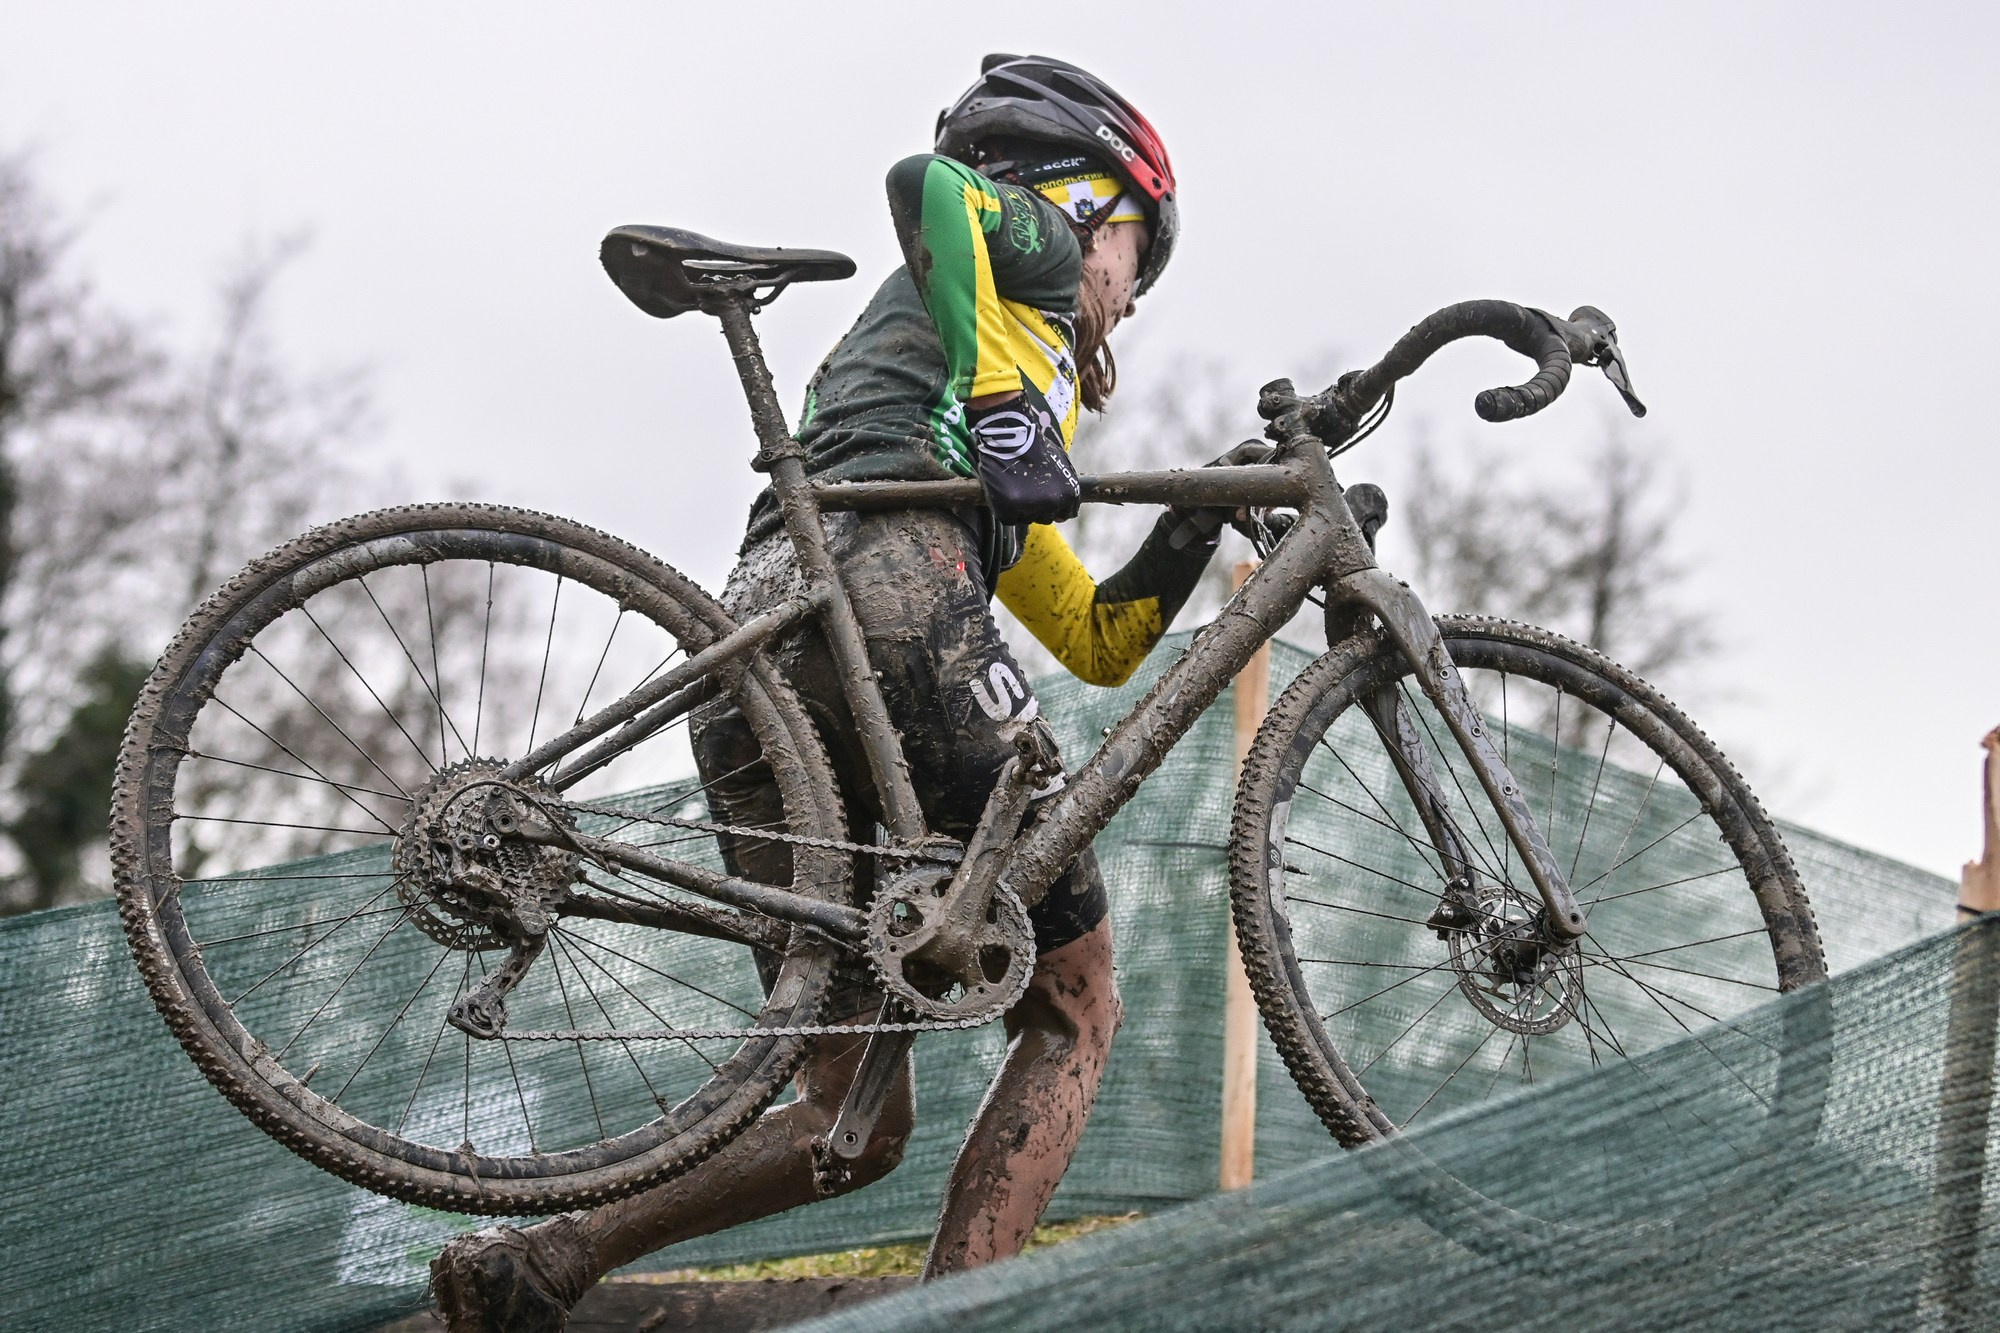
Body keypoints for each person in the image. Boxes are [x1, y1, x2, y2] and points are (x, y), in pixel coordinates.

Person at [432, 53, 1232, 1332]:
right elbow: (927, 183)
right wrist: (997, 403)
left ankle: (547, 1262)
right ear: (1083, 199)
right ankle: (962, 1318)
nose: (1136, 294)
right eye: (1141, 249)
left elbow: (1091, 638)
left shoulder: (987, 393)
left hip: (767, 627)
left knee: (847, 1122)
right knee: (1076, 1003)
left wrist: (1198, 525)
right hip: (892, 593)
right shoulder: (1021, 255)